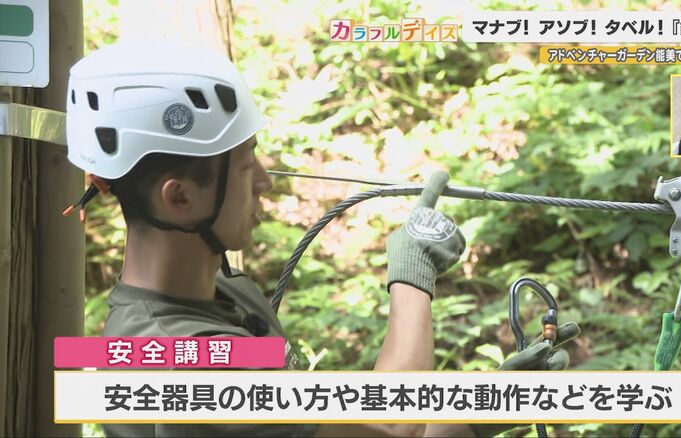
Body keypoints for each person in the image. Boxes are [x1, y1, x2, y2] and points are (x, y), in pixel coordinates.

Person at [64, 41, 579, 437]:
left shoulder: (221, 293)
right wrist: (412, 274)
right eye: (244, 166)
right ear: (179, 198)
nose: (264, 182)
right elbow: (391, 425)